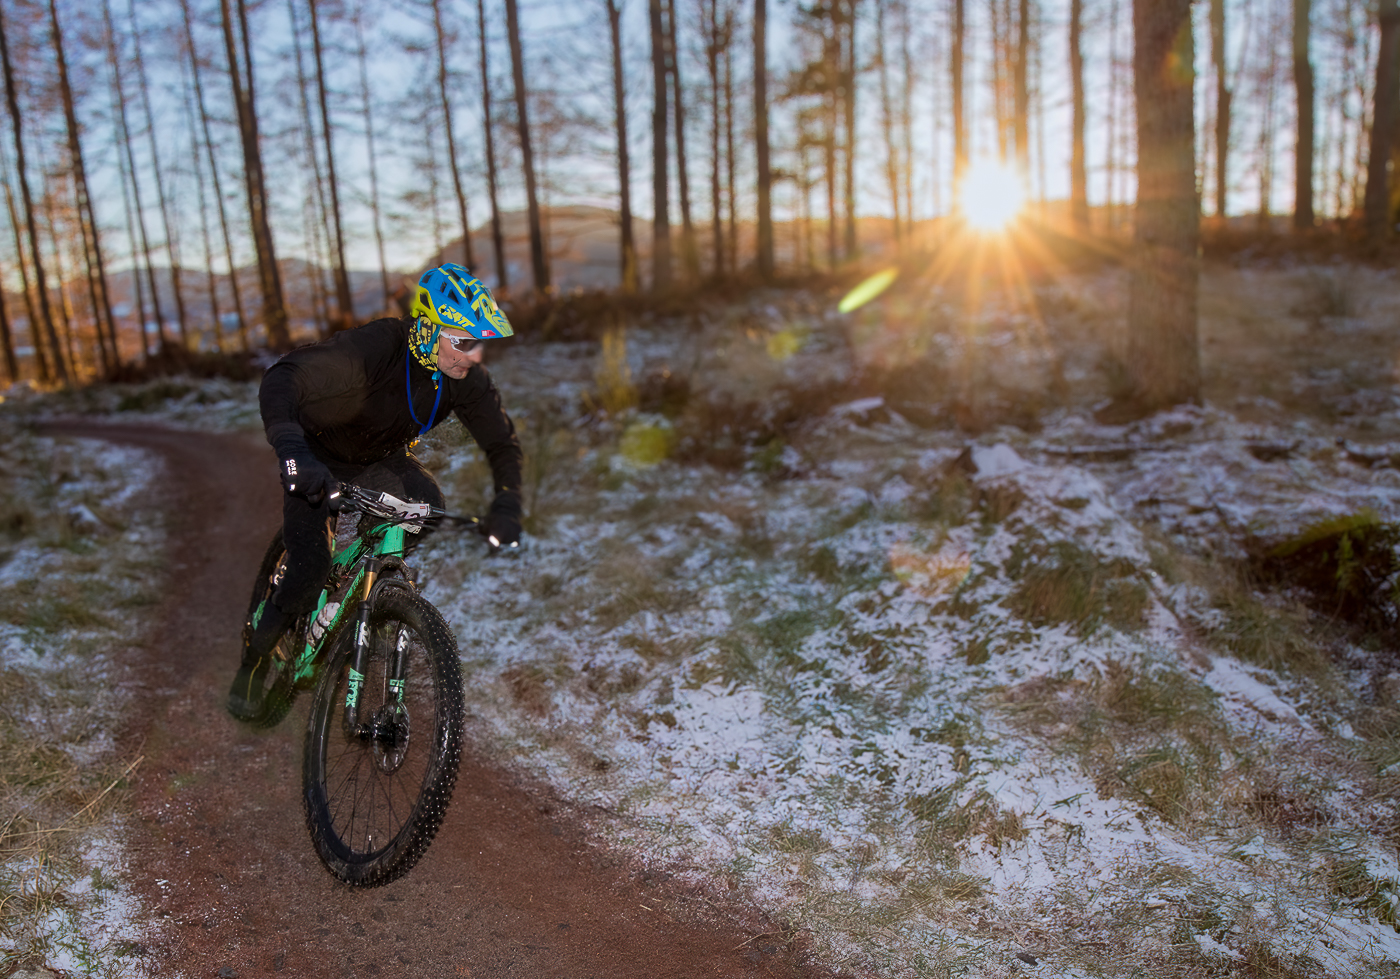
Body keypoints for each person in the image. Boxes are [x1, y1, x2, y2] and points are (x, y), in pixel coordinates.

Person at [228, 263, 523, 720]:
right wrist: (294, 453)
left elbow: (502, 443)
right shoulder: (378, 347)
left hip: (379, 459)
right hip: (316, 453)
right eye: (463, 342)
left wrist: (507, 501)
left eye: (479, 344)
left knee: (428, 510)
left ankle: (361, 592)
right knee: (310, 565)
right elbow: (282, 378)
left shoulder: (465, 379)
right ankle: (255, 658)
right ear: (429, 328)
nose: (473, 356)